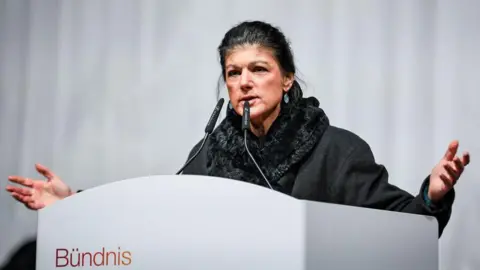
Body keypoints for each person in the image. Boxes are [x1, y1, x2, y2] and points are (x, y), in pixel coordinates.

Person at [5, 20, 470, 238]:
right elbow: (156, 220)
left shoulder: (337, 150)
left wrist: (432, 193)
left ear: (287, 78)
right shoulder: (210, 152)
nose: (244, 82)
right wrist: (76, 206)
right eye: (233, 72)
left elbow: (404, 233)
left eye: (259, 69)